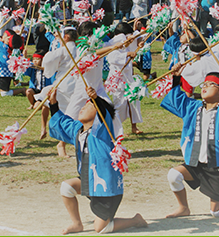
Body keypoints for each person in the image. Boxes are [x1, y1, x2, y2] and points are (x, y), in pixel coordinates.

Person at [48, 86, 148, 234]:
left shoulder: (102, 130)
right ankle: (77, 224)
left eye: (88, 106)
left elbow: (105, 113)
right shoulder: (78, 129)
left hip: (107, 188)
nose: (82, 108)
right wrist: (53, 103)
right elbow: (61, 123)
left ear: (98, 113)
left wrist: (96, 99)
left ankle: (135, 220)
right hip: (89, 180)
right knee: (66, 188)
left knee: (101, 228)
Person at [161, 65, 219, 218]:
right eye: (204, 84)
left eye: (211, 84)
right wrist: (176, 78)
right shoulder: (193, 107)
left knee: (217, 212)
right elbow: (176, 99)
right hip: (195, 164)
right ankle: (183, 208)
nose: (205, 87)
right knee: (173, 175)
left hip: (216, 168)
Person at [106, 22, 144, 134]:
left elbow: (134, 41)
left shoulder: (126, 39)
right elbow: (112, 57)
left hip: (127, 76)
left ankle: (134, 127)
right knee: (120, 104)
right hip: (117, 77)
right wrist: (127, 55)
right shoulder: (114, 42)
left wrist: (138, 44)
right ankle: (115, 128)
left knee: (133, 100)